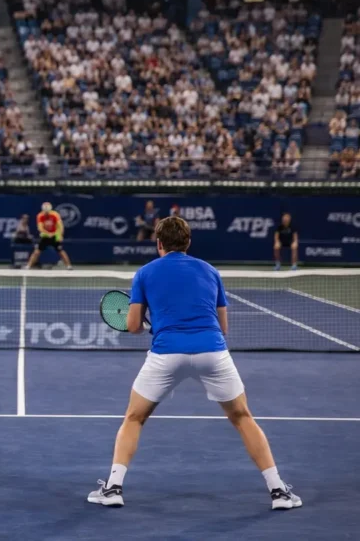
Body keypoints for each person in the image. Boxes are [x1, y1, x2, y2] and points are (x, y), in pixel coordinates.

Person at [87, 216, 301, 511]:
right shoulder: (210, 271)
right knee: (242, 417)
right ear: (188, 243)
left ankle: (113, 489)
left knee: (134, 418)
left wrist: (150, 323)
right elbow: (222, 327)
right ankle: (279, 492)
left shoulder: (145, 273)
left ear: (158, 243)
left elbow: (134, 325)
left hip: (166, 354)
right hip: (212, 352)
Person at [25, 202, 73, 270]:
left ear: (50, 210)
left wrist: (60, 235)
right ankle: (28, 266)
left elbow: (60, 226)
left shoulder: (55, 215)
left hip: (55, 235)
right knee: (37, 252)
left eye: (48, 211)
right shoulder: (40, 215)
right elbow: (40, 228)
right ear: (43, 210)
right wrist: (47, 234)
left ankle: (69, 266)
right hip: (45, 236)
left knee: (61, 251)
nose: (46, 213)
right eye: (45, 212)